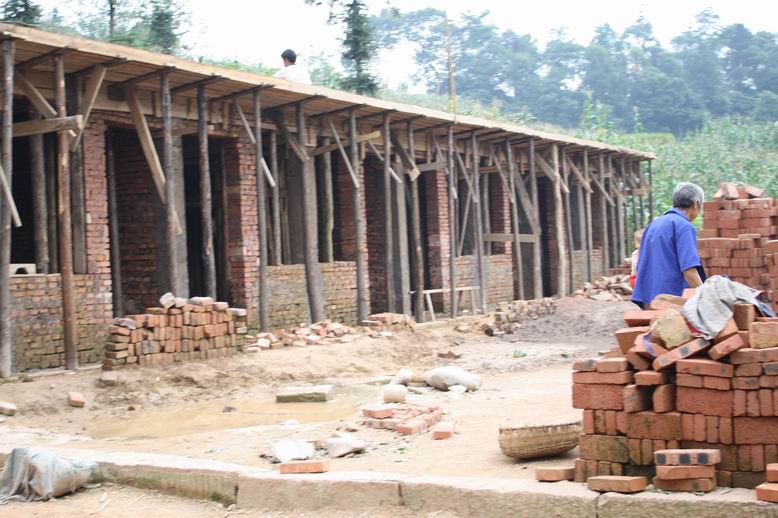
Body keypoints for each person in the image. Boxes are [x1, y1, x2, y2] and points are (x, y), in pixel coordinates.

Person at [631, 182, 707, 309]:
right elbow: (689, 271)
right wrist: (706, 297)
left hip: (648, 300)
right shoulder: (684, 226)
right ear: (696, 204)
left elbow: (640, 267)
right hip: (671, 301)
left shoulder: (653, 225)